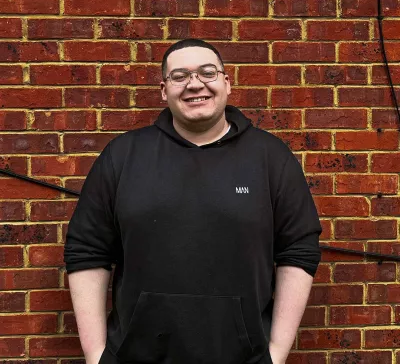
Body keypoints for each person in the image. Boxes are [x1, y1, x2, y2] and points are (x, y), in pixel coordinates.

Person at [64, 38, 322, 364]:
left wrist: (277, 353)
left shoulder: (270, 158)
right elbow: (87, 250)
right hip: (135, 356)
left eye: (207, 72)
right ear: (163, 90)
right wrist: (95, 354)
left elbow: (299, 249)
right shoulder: (123, 156)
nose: (194, 84)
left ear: (226, 83)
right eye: (180, 76)